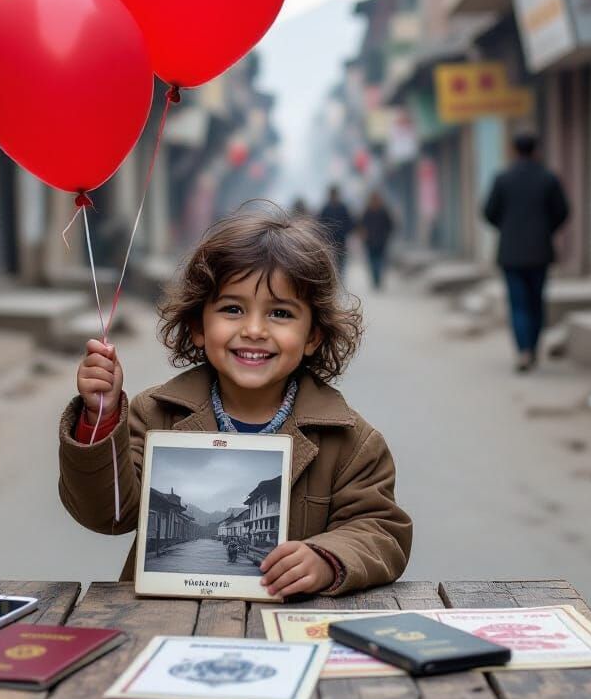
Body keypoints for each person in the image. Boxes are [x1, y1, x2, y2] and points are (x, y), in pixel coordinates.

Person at [59, 202, 412, 598]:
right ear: (197, 326)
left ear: (313, 335)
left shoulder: (350, 442)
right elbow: (108, 513)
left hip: (288, 628)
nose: (255, 330)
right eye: (232, 309)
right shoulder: (154, 415)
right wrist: (101, 419)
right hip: (164, 625)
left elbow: (380, 530)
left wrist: (326, 559)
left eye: (280, 313)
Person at [482, 132, 570, 372]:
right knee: (536, 302)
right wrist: (545, 230)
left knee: (518, 304)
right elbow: (562, 212)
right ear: (536, 150)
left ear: (513, 151)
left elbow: (488, 212)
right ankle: (533, 347)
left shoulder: (502, 179)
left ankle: (524, 351)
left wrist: (507, 228)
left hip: (511, 253)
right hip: (539, 252)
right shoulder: (548, 178)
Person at [360, 190, 395, 291]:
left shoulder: (383, 211)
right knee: (372, 262)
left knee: (379, 261)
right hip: (370, 242)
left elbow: (390, 225)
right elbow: (362, 225)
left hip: (381, 242)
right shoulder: (367, 211)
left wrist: (386, 235)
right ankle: (376, 280)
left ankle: (378, 279)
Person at [318, 185, 355, 276]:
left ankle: (340, 277)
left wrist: (346, 231)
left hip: (341, 240)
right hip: (329, 241)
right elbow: (320, 223)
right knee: (332, 262)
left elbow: (349, 222)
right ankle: (336, 277)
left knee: (341, 261)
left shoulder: (343, 208)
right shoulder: (326, 208)